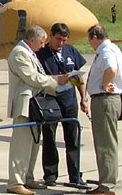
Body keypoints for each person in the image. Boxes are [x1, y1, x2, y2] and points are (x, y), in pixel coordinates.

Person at [6, 25, 69, 195]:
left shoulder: (30, 53)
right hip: (24, 105)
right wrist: (56, 81)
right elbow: (32, 77)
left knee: (34, 144)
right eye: (41, 43)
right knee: (21, 145)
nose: (43, 46)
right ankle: (15, 182)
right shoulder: (19, 53)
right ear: (32, 40)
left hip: (35, 105)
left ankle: (28, 177)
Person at [36, 23, 88, 186]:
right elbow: (37, 77)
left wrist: (83, 98)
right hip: (50, 100)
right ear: (50, 36)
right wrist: (57, 78)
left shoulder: (70, 51)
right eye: (58, 39)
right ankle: (50, 175)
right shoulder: (41, 54)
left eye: (64, 40)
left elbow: (78, 77)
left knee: (72, 138)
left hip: (69, 100)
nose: (61, 43)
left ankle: (75, 175)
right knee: (49, 137)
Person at [85, 24, 122, 195]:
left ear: (95, 37)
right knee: (106, 142)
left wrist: (103, 84)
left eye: (89, 40)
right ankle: (106, 179)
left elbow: (111, 69)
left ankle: (106, 185)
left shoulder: (106, 50)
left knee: (105, 144)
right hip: (108, 100)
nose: (90, 44)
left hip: (104, 100)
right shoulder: (113, 47)